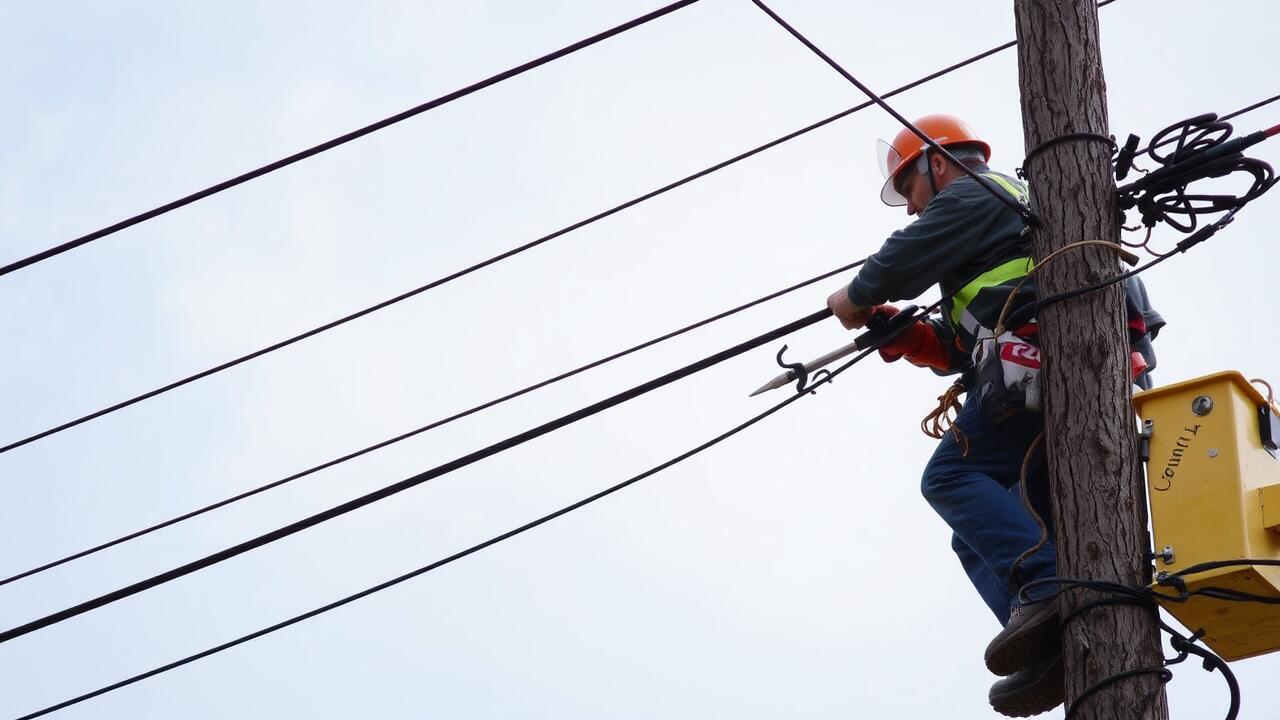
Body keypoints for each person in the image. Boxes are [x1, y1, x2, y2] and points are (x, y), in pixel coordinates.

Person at [825, 114, 1161, 717]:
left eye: (909, 187)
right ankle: (1051, 639)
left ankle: (1045, 583)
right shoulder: (996, 230)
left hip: (1053, 353)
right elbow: (958, 347)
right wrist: (901, 333)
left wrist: (856, 298)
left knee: (950, 478)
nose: (908, 207)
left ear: (940, 161)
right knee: (974, 535)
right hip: (1049, 366)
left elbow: (899, 260)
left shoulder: (981, 192)